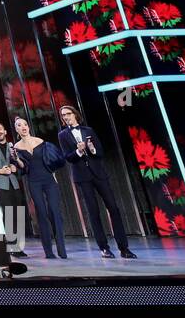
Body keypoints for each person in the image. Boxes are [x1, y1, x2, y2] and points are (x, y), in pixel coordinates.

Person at [56, 105, 137, 259]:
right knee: (93, 211)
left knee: (113, 207)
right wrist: (79, 151)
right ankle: (104, 248)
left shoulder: (88, 130)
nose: (66, 117)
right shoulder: (63, 135)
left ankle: (124, 248)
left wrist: (92, 148)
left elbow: (99, 152)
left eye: (68, 114)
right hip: (82, 176)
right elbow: (68, 157)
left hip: (99, 174)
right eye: (63, 115)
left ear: (75, 115)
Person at [13, 116, 68, 259]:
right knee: (41, 214)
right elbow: (23, 168)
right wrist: (17, 159)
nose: (23, 127)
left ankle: (62, 249)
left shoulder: (41, 142)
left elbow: (52, 160)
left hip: (49, 180)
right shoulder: (16, 147)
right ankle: (48, 252)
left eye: (25, 124)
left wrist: (53, 174)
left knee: (55, 212)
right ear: (16, 129)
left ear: (28, 127)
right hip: (34, 182)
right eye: (19, 125)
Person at [0, 120, 28, 257]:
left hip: (13, 183)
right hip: (0, 185)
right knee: (8, 214)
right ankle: (13, 247)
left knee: (18, 213)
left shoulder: (12, 146)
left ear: (5, 131)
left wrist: (14, 167)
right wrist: (1, 171)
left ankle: (18, 246)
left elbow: (18, 164)